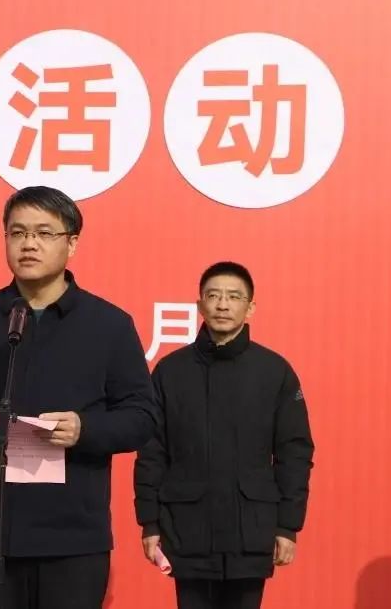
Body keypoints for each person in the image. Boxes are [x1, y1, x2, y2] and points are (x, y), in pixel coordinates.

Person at [0, 186, 157, 609]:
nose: (29, 244)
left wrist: (85, 429)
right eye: (18, 233)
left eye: (44, 233)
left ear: (72, 243)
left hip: (72, 537)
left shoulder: (109, 325)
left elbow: (142, 416)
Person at [134, 261, 314, 609]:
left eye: (234, 297)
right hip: (187, 527)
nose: (222, 304)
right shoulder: (171, 371)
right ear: (199, 305)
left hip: (252, 530)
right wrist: (150, 522)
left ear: (251, 307)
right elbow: (152, 452)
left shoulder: (274, 371)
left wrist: (287, 527)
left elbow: (294, 454)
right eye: (213, 296)